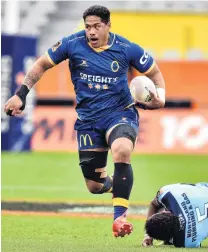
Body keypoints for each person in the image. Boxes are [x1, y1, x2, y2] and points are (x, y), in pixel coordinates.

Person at [4, 5, 166, 237]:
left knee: (122, 149)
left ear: (108, 25)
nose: (91, 32)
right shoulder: (72, 43)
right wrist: (21, 94)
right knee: (94, 186)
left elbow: (155, 73)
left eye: (97, 26)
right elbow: (41, 64)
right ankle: (114, 185)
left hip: (120, 112)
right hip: (88, 121)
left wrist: (161, 98)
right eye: (88, 26)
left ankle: (119, 218)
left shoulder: (126, 48)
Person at [142, 182, 208, 247]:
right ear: (165, 212)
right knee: (159, 204)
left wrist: (148, 235)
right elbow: (153, 204)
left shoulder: (185, 242)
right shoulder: (166, 193)